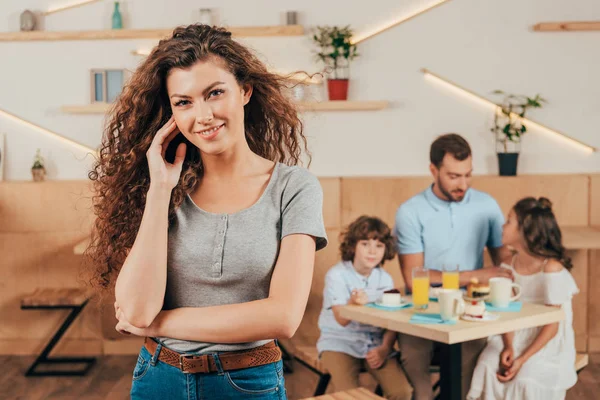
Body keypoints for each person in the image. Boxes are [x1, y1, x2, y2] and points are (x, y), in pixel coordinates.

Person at [85, 24, 327, 400]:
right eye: (184, 102)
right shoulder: (163, 188)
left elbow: (283, 317)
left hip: (247, 384)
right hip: (156, 379)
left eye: (215, 93)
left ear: (245, 91)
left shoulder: (294, 187)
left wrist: (161, 321)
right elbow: (135, 308)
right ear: (172, 115)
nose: (203, 116)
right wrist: (160, 189)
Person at [394, 133, 513, 399]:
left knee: (464, 385)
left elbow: (505, 266)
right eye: (453, 176)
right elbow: (415, 279)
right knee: (419, 383)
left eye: (468, 175)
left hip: (471, 307)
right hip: (422, 307)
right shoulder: (410, 211)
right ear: (433, 170)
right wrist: (476, 274)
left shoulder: (487, 205)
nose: (463, 184)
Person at [467, 197, 578, 399]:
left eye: (509, 221)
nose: (503, 225)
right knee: (487, 364)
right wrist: (509, 346)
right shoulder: (508, 265)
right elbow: (507, 312)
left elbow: (552, 326)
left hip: (545, 341)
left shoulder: (550, 268)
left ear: (524, 231)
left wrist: (522, 358)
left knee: (526, 377)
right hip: (513, 334)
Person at [317, 216, 412, 400]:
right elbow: (341, 320)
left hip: (375, 343)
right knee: (350, 395)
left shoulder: (385, 279)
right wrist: (352, 304)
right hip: (339, 343)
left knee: (403, 393)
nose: (372, 252)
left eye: (379, 246)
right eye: (365, 244)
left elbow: (392, 321)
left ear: (386, 250)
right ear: (353, 246)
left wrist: (385, 348)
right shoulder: (337, 275)